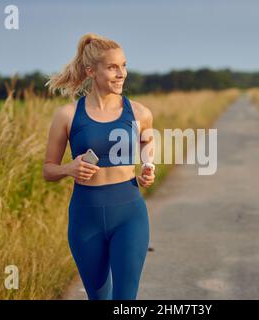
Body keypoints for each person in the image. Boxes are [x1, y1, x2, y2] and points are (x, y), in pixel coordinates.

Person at [42, 33, 155, 300]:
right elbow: (48, 170)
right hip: (85, 218)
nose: (121, 74)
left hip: (129, 215)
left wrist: (149, 169)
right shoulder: (68, 115)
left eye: (124, 65)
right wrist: (68, 169)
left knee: (125, 300)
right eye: (113, 67)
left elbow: (147, 150)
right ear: (92, 71)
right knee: (99, 297)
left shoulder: (140, 113)